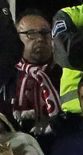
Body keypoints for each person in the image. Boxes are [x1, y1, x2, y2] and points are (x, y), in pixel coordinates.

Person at [4, 10, 60, 140]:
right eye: (31, 34)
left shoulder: (65, 72)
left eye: (45, 32)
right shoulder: (6, 74)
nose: (40, 38)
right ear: (16, 38)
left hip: (60, 144)